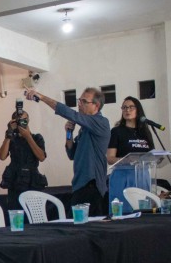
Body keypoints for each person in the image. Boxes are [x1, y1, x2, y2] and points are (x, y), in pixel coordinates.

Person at [25, 87, 110, 215]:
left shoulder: (101, 122)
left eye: (84, 102)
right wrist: (69, 133)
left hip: (92, 185)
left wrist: (41, 97)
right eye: (79, 101)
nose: (79, 104)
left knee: (88, 228)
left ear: (96, 105)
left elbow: (70, 113)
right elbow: (72, 154)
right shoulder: (84, 129)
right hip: (80, 184)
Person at [107, 96, 154, 212]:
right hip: (122, 176)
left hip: (142, 175)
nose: (127, 110)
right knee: (123, 212)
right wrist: (127, 160)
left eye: (131, 107)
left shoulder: (145, 132)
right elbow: (110, 158)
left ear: (138, 110)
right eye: (124, 107)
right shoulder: (116, 131)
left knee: (143, 212)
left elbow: (151, 155)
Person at [0, 109, 47, 210]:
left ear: (28, 120)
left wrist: (28, 137)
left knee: (34, 215)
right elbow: (2, 156)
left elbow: (41, 157)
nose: (22, 123)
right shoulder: (12, 139)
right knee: (16, 214)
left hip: (32, 181)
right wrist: (9, 134)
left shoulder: (37, 137)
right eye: (18, 121)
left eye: (24, 120)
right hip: (15, 181)